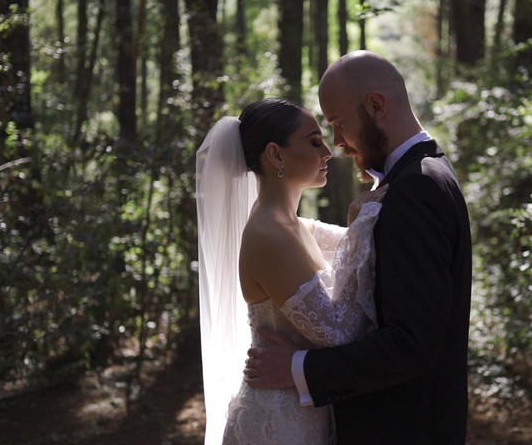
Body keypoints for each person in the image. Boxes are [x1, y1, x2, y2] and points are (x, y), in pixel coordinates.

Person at [245, 51, 473, 444]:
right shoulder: (423, 175)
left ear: (376, 105)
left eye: (337, 124)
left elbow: (411, 343)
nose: (336, 143)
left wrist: (301, 367)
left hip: (404, 428)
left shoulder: (415, 189)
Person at [196, 97, 385, 444]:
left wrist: (365, 221)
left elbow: (358, 250)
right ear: (276, 154)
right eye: (314, 142)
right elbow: (338, 331)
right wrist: (361, 221)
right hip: (277, 422)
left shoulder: (293, 226)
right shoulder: (270, 234)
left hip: (301, 409)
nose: (328, 152)